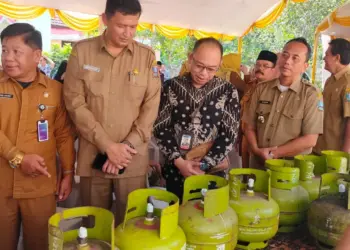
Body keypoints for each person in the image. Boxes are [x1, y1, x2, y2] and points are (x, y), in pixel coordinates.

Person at [64, 0, 161, 225]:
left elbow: (151, 106)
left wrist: (125, 147)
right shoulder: (82, 52)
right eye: (121, 26)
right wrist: (107, 146)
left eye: (133, 26)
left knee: (132, 224)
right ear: (105, 19)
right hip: (93, 156)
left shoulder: (146, 56)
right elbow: (74, 102)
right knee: (95, 224)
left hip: (132, 158)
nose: (127, 33)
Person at [0, 23, 75, 250]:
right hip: (1, 184)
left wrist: (68, 172)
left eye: (16, 51)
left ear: (37, 55)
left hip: (40, 185)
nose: (8, 58)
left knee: (40, 244)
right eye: (4, 50)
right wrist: (19, 158)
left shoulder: (55, 90)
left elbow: (63, 135)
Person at [153, 37, 240, 200]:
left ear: (220, 64)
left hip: (212, 169)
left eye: (211, 69)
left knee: (208, 219)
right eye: (199, 66)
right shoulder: (171, 87)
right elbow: (161, 128)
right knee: (178, 216)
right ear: (190, 57)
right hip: (176, 167)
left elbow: (229, 134)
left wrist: (205, 164)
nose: (204, 73)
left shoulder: (227, 91)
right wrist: (180, 163)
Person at [243, 37, 323, 169]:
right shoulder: (261, 89)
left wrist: (274, 153)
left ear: (305, 66)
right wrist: (257, 151)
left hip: (289, 169)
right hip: (258, 165)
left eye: (295, 58)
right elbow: (249, 126)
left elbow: (310, 139)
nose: (287, 61)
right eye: (285, 55)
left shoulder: (311, 94)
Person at [240, 50, 278, 169]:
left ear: (275, 69)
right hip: (246, 136)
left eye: (265, 66)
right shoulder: (252, 85)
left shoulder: (277, 91)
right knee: (246, 174)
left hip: (262, 141)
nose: (260, 68)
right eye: (258, 65)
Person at [314, 38, 350, 154]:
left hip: (335, 153)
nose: (324, 58)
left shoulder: (348, 82)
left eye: (327, 54)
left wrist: (345, 154)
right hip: (320, 147)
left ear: (337, 57)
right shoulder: (330, 80)